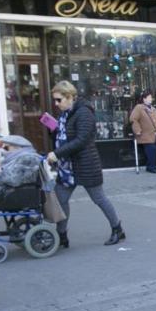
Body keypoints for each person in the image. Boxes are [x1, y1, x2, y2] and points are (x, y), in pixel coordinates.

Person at [46, 80, 125, 248]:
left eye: (59, 99)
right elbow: (63, 136)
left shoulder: (84, 113)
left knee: (99, 198)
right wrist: (52, 129)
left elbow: (81, 140)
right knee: (61, 200)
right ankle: (62, 236)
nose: (56, 103)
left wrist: (57, 153)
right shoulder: (65, 114)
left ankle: (117, 228)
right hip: (67, 167)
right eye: (55, 100)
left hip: (86, 164)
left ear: (69, 97)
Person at [130, 91, 156, 173]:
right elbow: (133, 119)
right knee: (152, 149)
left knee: (153, 150)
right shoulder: (139, 108)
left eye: (151, 97)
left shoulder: (153, 108)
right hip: (144, 135)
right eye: (149, 97)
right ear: (144, 99)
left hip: (154, 135)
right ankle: (151, 167)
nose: (151, 99)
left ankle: (151, 166)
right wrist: (137, 130)